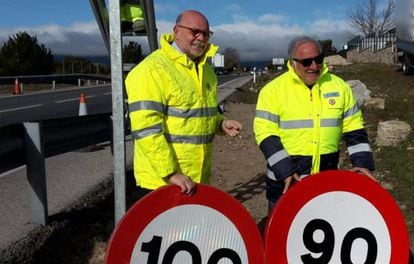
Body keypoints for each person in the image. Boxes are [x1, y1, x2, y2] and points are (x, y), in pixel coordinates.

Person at [125, 10, 242, 199]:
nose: (201, 38)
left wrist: (220, 124)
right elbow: (146, 129)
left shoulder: (206, 71)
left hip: (196, 179)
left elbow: (198, 116)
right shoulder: (152, 70)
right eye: (194, 31)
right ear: (176, 31)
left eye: (205, 34)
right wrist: (170, 173)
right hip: (161, 183)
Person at [254, 36, 375, 213]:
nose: (314, 66)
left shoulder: (339, 87)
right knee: (280, 235)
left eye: (318, 59)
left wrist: (363, 162)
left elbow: (353, 126)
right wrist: (285, 170)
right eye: (306, 62)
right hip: (286, 181)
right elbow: (264, 132)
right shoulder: (272, 91)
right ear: (293, 62)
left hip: (327, 181)